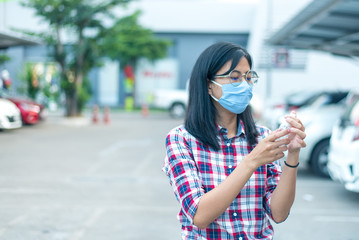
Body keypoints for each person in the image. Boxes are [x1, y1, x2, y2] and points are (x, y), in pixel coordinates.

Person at [162, 41, 306, 240]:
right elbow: (199, 215)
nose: (245, 85)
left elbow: (279, 213)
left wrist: (293, 155)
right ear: (209, 85)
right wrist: (251, 161)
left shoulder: (262, 137)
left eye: (249, 77)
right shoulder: (181, 139)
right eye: (235, 77)